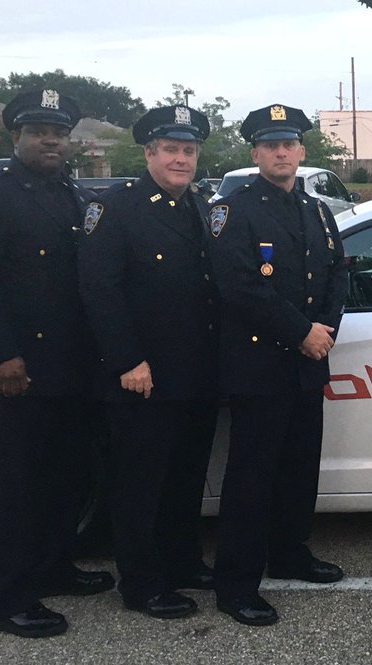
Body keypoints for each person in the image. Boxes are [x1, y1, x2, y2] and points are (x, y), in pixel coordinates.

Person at [0, 90, 114, 639]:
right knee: (18, 486)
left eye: (59, 133)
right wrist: (2, 354)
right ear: (15, 137)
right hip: (18, 371)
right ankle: (10, 601)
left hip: (71, 367)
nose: (50, 141)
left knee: (65, 477)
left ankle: (54, 567)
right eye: (39, 131)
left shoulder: (75, 195)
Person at [207, 104, 348, 626]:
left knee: (298, 469)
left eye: (289, 144)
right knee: (252, 477)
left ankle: (289, 553)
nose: (281, 153)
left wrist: (325, 330)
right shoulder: (233, 210)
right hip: (258, 366)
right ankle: (236, 584)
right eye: (270, 145)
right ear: (255, 154)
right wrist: (302, 333)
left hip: (307, 365)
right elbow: (239, 286)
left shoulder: (316, 210)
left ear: (302, 150)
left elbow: (337, 273)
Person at [78, 105, 218, 620]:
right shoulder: (116, 208)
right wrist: (127, 359)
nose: (181, 159)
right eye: (171, 150)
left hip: (195, 371)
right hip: (144, 375)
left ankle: (182, 561)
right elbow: (100, 290)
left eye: (189, 150)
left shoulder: (199, 206)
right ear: (149, 154)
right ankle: (140, 583)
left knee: (185, 475)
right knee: (141, 484)